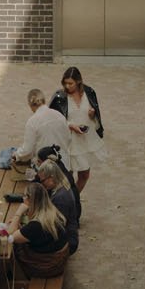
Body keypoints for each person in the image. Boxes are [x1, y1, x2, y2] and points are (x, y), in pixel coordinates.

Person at [4, 182, 69, 289]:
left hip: (45, 266)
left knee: (10, 253)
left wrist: (19, 212)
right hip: (57, 260)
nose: (22, 198)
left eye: (24, 196)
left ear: (30, 200)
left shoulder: (35, 226)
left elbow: (9, 236)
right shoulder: (52, 212)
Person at [48, 66, 105, 194]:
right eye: (65, 83)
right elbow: (53, 119)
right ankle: (66, 199)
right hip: (67, 141)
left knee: (85, 175)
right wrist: (70, 125)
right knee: (67, 175)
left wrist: (92, 115)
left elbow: (97, 118)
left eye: (71, 83)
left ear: (78, 81)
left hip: (84, 140)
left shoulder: (89, 93)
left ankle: (74, 198)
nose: (67, 86)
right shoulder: (59, 97)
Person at [34, 160, 80, 254]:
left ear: (52, 177)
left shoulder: (61, 199)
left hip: (67, 242)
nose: (42, 184)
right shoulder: (61, 184)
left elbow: (55, 227)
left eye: (43, 181)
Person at [16, 88, 70, 167]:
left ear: (30, 105)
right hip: (63, 164)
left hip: (44, 168)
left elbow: (27, 151)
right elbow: (68, 139)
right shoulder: (60, 116)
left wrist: (17, 155)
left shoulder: (32, 121)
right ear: (44, 101)